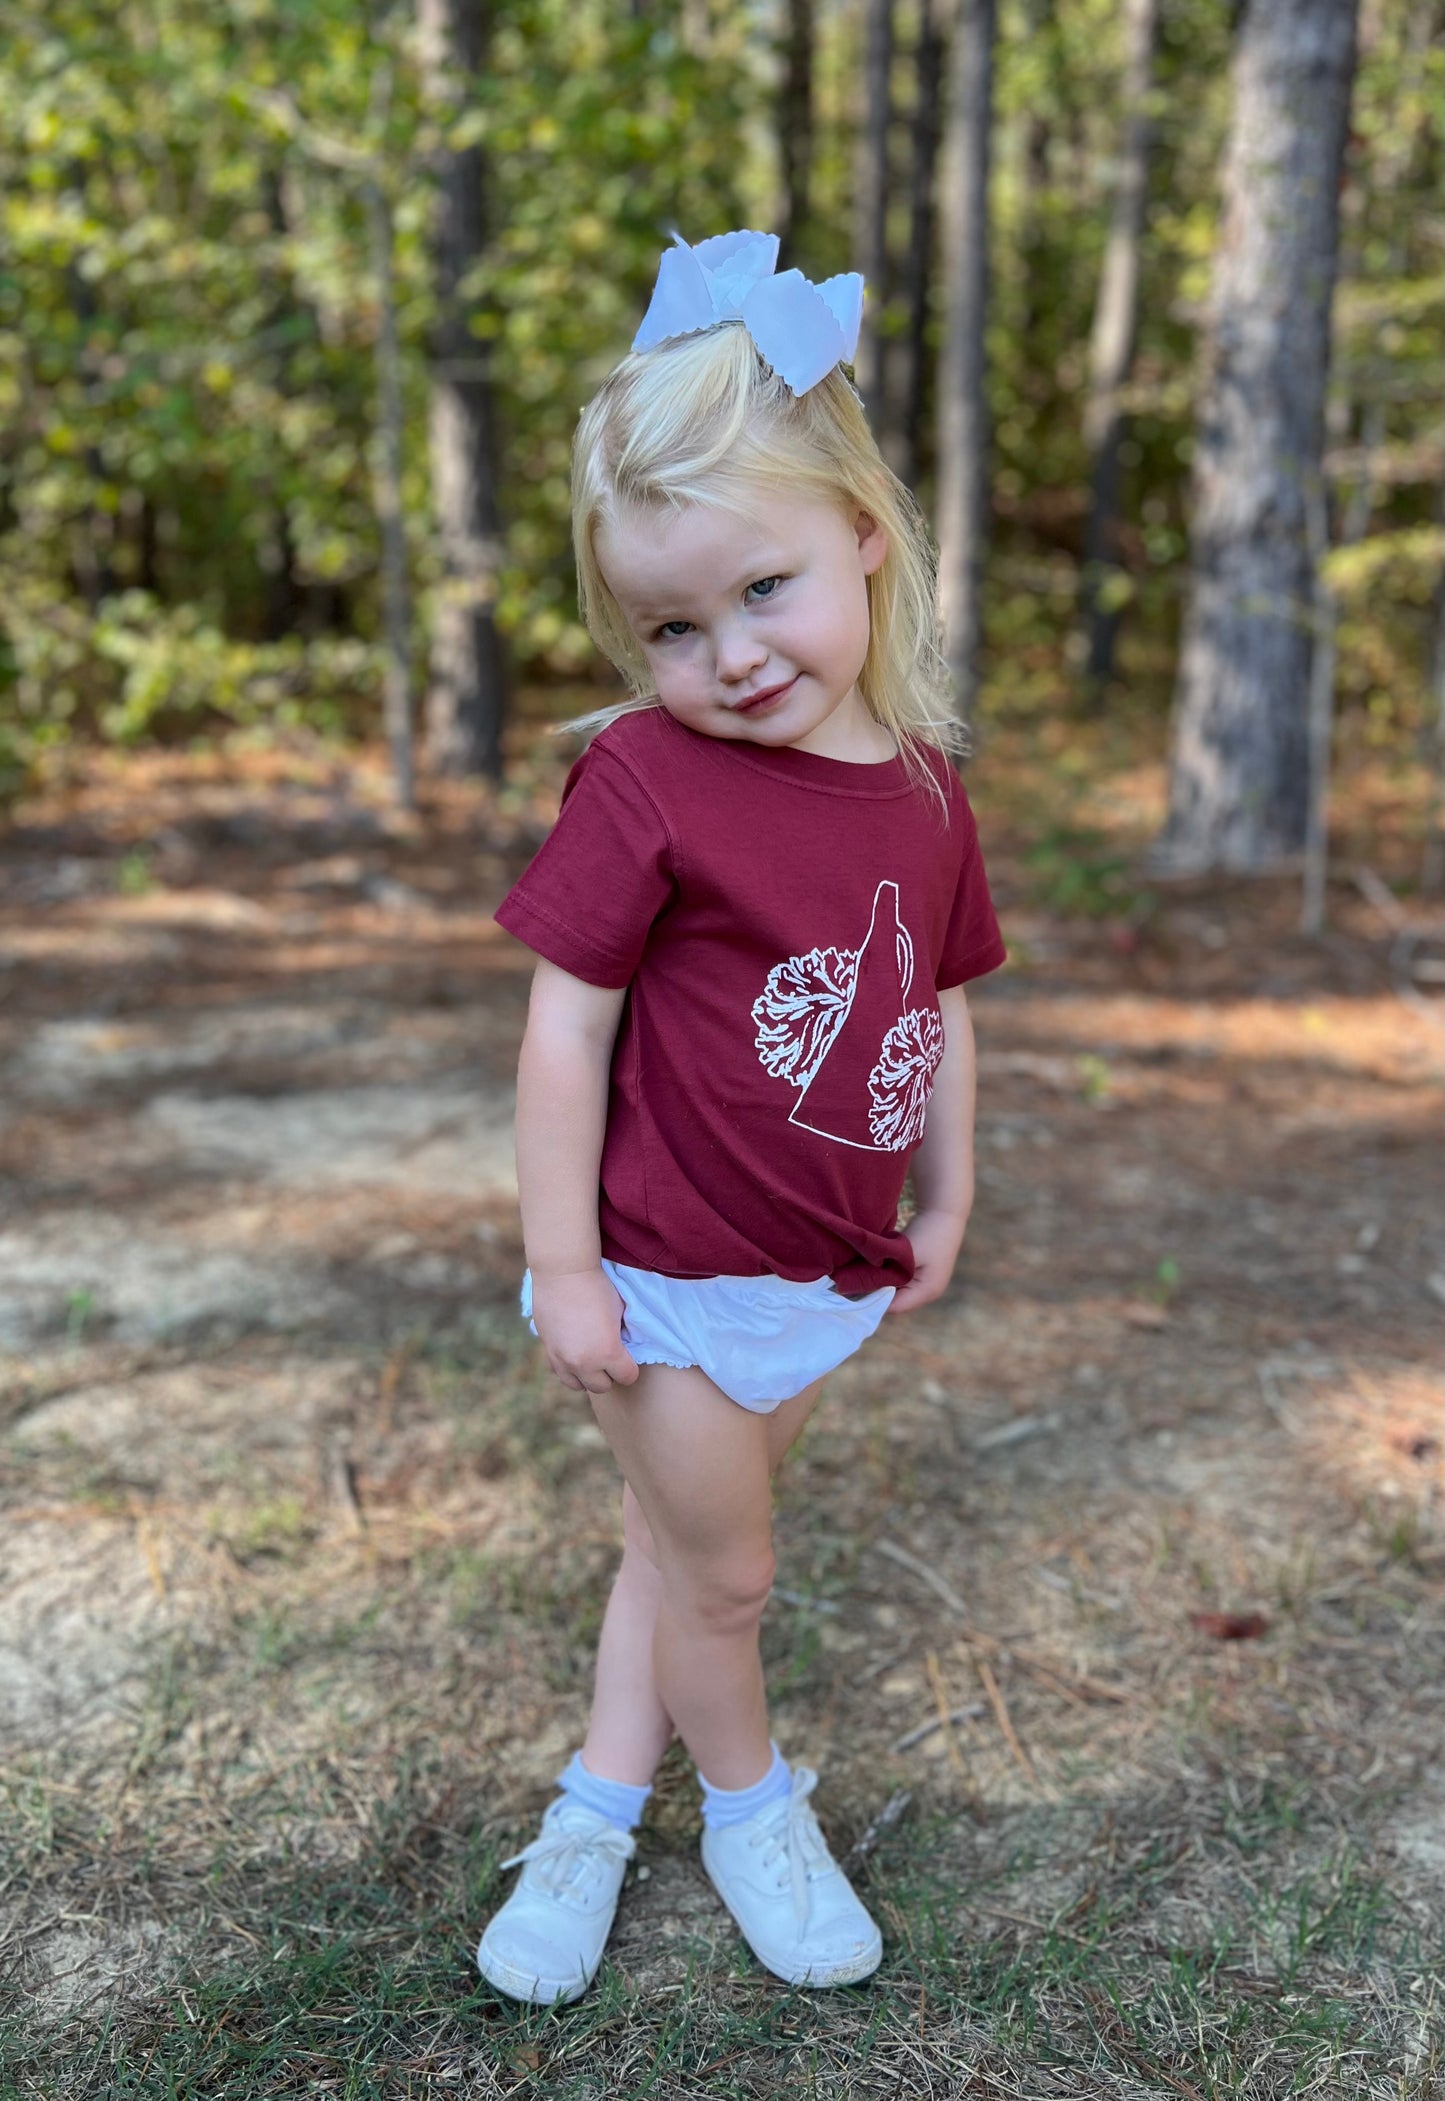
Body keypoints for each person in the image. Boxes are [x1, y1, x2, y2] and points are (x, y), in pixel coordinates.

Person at [478, 229, 1006, 2005]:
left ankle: (588, 1806)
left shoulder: (923, 794)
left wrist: (943, 1193)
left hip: (819, 1269)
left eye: (762, 589)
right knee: (729, 1578)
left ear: (864, 527)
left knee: (669, 1551)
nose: (729, 653)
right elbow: (568, 1031)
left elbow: (930, 999)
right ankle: (747, 1809)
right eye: (673, 626)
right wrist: (566, 1266)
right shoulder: (645, 774)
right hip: (667, 1274)